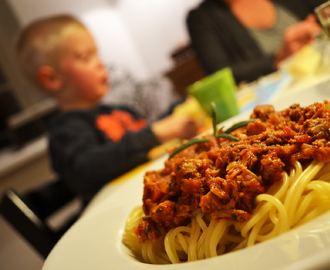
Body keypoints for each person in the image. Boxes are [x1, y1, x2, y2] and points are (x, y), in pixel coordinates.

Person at [15, 15, 199, 201]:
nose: (100, 62)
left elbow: (146, 134)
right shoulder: (66, 129)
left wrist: (180, 109)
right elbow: (87, 169)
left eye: (97, 54)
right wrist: (154, 134)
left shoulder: (120, 110)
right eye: (86, 57)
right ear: (52, 79)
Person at [186, 0, 324, 84]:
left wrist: (319, 23)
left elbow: (323, 8)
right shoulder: (201, 19)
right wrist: (279, 57)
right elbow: (222, 74)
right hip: (288, 91)